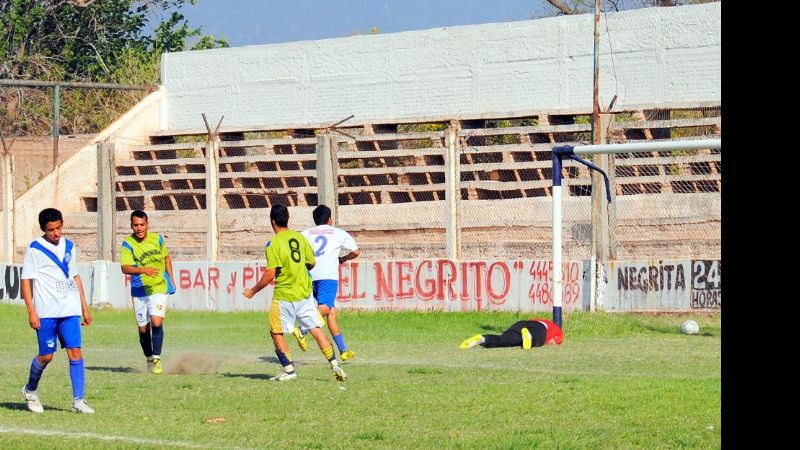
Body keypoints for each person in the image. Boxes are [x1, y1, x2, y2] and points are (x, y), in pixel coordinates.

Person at [244, 204, 346, 382]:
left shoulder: (273, 244)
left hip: (284, 295)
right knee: (315, 328)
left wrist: (252, 291)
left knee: (276, 332)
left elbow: (270, 274)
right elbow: (312, 263)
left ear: (272, 222)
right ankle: (335, 365)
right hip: (305, 293)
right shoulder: (300, 238)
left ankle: (289, 371)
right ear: (287, 219)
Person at [20, 208, 95, 414]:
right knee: (47, 356)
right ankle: (30, 390)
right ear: (44, 229)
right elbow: (26, 281)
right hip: (46, 312)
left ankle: (79, 400)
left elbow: (75, 277)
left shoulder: (70, 246)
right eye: (51, 229)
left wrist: (84, 308)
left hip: (70, 310)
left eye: (59, 228)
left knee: (75, 351)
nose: (56, 233)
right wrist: (31, 311)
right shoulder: (35, 248)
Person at [294, 204, 360, 361]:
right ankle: (302, 329)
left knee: (331, 313)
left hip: (310, 276)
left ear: (315, 220)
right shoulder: (337, 233)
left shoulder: (305, 234)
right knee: (324, 308)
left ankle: (343, 350)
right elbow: (356, 251)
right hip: (327, 277)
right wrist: (343, 259)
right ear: (330, 219)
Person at [120, 210, 175, 374]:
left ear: (147, 224)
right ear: (131, 226)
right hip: (139, 291)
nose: (139, 228)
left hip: (159, 287)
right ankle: (149, 358)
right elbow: (125, 267)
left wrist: (171, 279)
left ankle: (157, 359)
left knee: (157, 322)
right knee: (143, 330)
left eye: (142, 224)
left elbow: (166, 258)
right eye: (135, 225)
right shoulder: (128, 244)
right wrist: (143, 270)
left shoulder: (157, 239)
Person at [459, 318, 564, 350]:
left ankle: (483, 339)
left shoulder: (538, 318)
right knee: (540, 339)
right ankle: (530, 336)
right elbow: (552, 341)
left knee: (504, 340)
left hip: (521, 324)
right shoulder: (558, 331)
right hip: (539, 327)